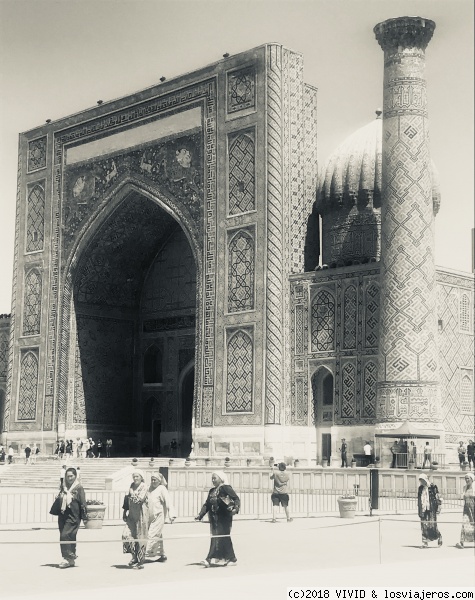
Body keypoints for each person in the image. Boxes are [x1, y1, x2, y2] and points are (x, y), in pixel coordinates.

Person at [195, 471, 240, 567]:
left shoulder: (226, 488)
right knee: (218, 537)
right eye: (212, 478)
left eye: (215, 478)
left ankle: (209, 558)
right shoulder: (212, 491)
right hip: (214, 518)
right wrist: (200, 515)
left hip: (224, 517)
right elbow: (207, 504)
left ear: (221, 478)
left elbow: (236, 499)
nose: (213, 480)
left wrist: (235, 509)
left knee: (221, 537)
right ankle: (230, 558)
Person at [56, 467, 87, 568]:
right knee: (69, 536)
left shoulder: (79, 488)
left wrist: (85, 517)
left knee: (65, 535)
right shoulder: (63, 487)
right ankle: (71, 560)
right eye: (67, 476)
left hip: (74, 516)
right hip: (63, 514)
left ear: (75, 476)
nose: (69, 478)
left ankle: (67, 557)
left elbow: (83, 503)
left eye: (71, 476)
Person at [146, 472, 175, 562]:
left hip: (159, 516)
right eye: (152, 480)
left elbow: (168, 501)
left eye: (155, 480)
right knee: (157, 535)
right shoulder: (149, 488)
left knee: (152, 534)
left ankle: (143, 554)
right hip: (149, 516)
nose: (153, 481)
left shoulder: (162, 489)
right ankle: (162, 554)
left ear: (159, 481)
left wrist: (172, 514)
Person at [122, 469, 149, 569]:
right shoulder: (131, 486)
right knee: (126, 535)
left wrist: (132, 494)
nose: (135, 478)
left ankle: (140, 561)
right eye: (134, 476)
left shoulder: (144, 487)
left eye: (137, 476)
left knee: (140, 538)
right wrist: (125, 512)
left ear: (141, 477)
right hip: (131, 515)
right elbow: (127, 500)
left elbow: (139, 499)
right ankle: (134, 556)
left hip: (141, 515)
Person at [417, 473, 442, 549]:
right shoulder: (420, 488)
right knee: (424, 525)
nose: (421, 481)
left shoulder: (432, 487)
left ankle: (439, 536)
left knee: (432, 525)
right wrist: (420, 510)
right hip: (423, 509)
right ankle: (425, 542)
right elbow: (419, 499)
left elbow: (438, 496)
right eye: (420, 480)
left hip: (431, 508)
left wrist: (439, 507)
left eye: (422, 480)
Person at [456, 472, 474, 549]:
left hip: (474, 509)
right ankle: (462, 542)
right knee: (464, 524)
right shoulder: (464, 488)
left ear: (472, 479)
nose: (466, 480)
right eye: (465, 478)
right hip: (466, 509)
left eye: (468, 478)